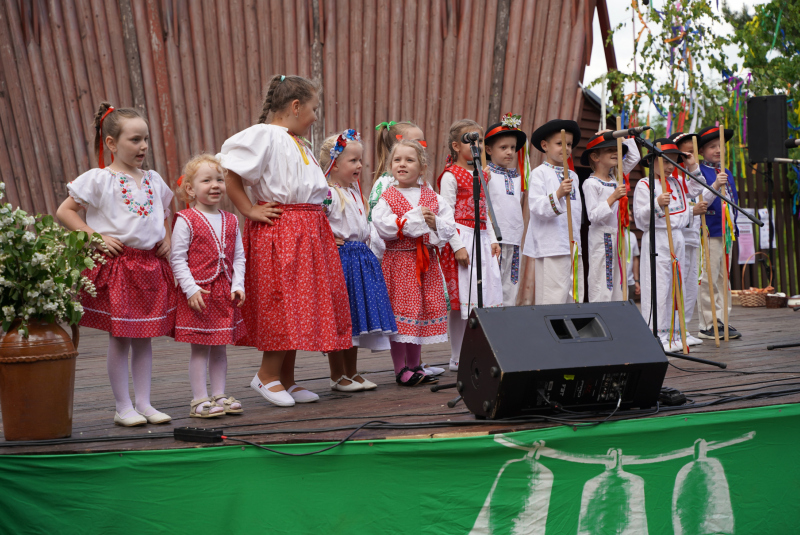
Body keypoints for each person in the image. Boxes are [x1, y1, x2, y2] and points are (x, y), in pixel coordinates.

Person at [218, 74, 352, 408]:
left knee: (299, 302)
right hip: (283, 229)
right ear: (295, 106)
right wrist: (249, 209)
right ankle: (266, 374)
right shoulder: (266, 135)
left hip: (307, 228)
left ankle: (285, 379)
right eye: (314, 108)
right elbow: (231, 174)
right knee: (283, 300)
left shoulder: (297, 140)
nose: (316, 116)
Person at [56, 102, 176, 427]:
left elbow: (164, 212)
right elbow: (65, 211)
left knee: (144, 337)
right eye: (135, 140)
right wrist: (94, 236)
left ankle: (145, 403)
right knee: (121, 337)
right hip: (120, 266)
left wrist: (166, 237)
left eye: (145, 139)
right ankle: (123, 407)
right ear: (111, 143)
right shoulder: (100, 179)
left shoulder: (152, 179)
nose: (143, 146)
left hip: (149, 266)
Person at [372, 140, 456, 386]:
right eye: (397, 160)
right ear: (390, 166)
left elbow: (449, 228)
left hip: (425, 265)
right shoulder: (387, 198)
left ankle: (416, 365)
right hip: (399, 264)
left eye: (409, 160)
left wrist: (433, 223)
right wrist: (409, 223)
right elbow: (383, 226)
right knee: (401, 317)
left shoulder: (433, 197)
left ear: (422, 168)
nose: (402, 164)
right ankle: (401, 369)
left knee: (419, 314)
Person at [171, 154, 246, 418]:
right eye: (206, 180)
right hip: (200, 295)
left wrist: (238, 284)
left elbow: (239, 256)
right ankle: (199, 399)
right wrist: (190, 288)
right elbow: (177, 258)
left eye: (219, 180)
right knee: (200, 348)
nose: (215, 185)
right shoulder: (186, 219)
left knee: (220, 346)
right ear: (190, 189)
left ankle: (219, 395)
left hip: (224, 294)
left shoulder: (231, 220)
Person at [320, 130, 396, 392]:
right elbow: (317, 225)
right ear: (334, 163)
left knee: (355, 319)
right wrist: (329, 238)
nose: (360, 166)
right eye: (353, 161)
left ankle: (351, 372)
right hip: (341, 261)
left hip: (359, 259)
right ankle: (337, 375)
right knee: (341, 319)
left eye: (360, 160)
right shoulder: (327, 193)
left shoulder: (353, 191)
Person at [437, 119, 502, 372]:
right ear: (456, 145)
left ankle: (479, 351)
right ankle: (456, 356)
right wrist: (456, 246)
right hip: (462, 236)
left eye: (480, 139)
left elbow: (487, 210)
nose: (476, 144)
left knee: (482, 296)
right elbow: (445, 214)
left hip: (483, 236)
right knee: (462, 299)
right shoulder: (450, 176)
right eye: (469, 140)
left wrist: (494, 239)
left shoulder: (484, 174)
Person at [633, 139, 708, 351]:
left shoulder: (675, 182)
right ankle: (656, 333)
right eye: (665, 161)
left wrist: (692, 165)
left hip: (677, 237)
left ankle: (676, 333)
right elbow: (640, 218)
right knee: (659, 285)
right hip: (657, 237)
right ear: (652, 160)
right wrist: (656, 203)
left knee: (677, 285)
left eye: (673, 162)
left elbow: (696, 188)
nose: (669, 166)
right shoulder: (644, 184)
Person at [523, 119, 584, 304]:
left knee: (573, 295)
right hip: (552, 245)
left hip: (572, 245)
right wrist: (558, 193)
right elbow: (536, 207)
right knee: (552, 297)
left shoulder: (573, 175)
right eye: (559, 143)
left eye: (569, 144)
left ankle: (571, 332)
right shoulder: (539, 173)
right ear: (545, 145)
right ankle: (551, 333)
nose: (565, 148)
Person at [580, 132, 640, 302]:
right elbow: (593, 215)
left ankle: (616, 320)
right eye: (609, 150)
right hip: (601, 236)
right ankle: (600, 318)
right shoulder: (591, 183)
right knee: (602, 282)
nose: (616, 153)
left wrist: (623, 135)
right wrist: (613, 197)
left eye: (617, 149)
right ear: (595, 156)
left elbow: (634, 156)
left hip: (618, 235)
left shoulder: (616, 176)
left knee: (618, 281)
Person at [695, 126, 741, 340]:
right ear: (702, 150)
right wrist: (715, 184)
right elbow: (700, 200)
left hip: (726, 232)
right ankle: (708, 322)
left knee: (724, 278)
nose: (718, 150)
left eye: (720, 146)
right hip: (709, 230)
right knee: (708, 277)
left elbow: (733, 202)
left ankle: (723, 319)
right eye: (712, 146)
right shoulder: (699, 172)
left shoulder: (727, 172)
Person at [484, 113, 528, 306]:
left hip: (515, 237)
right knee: (494, 283)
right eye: (503, 147)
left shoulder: (518, 177)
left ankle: (507, 322)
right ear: (488, 149)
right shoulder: (486, 175)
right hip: (494, 239)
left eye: (512, 147)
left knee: (511, 283)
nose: (509, 152)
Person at [670, 132, 708, 346]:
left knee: (692, 286)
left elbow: (700, 189)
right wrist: (692, 211)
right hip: (678, 239)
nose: (688, 156)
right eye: (684, 153)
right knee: (679, 286)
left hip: (693, 237)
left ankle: (684, 328)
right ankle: (673, 330)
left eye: (692, 152)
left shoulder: (689, 177)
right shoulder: (672, 180)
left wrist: (693, 167)